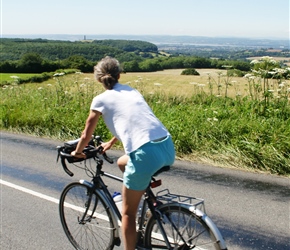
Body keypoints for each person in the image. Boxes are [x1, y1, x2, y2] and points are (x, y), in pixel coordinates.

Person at [71, 56, 175, 250]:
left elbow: (86, 133)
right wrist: (111, 141)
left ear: (98, 79)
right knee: (122, 162)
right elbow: (134, 121)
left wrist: (78, 152)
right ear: (119, 75)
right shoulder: (131, 91)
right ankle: (152, 203)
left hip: (145, 154)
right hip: (167, 146)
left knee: (127, 214)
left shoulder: (100, 99)